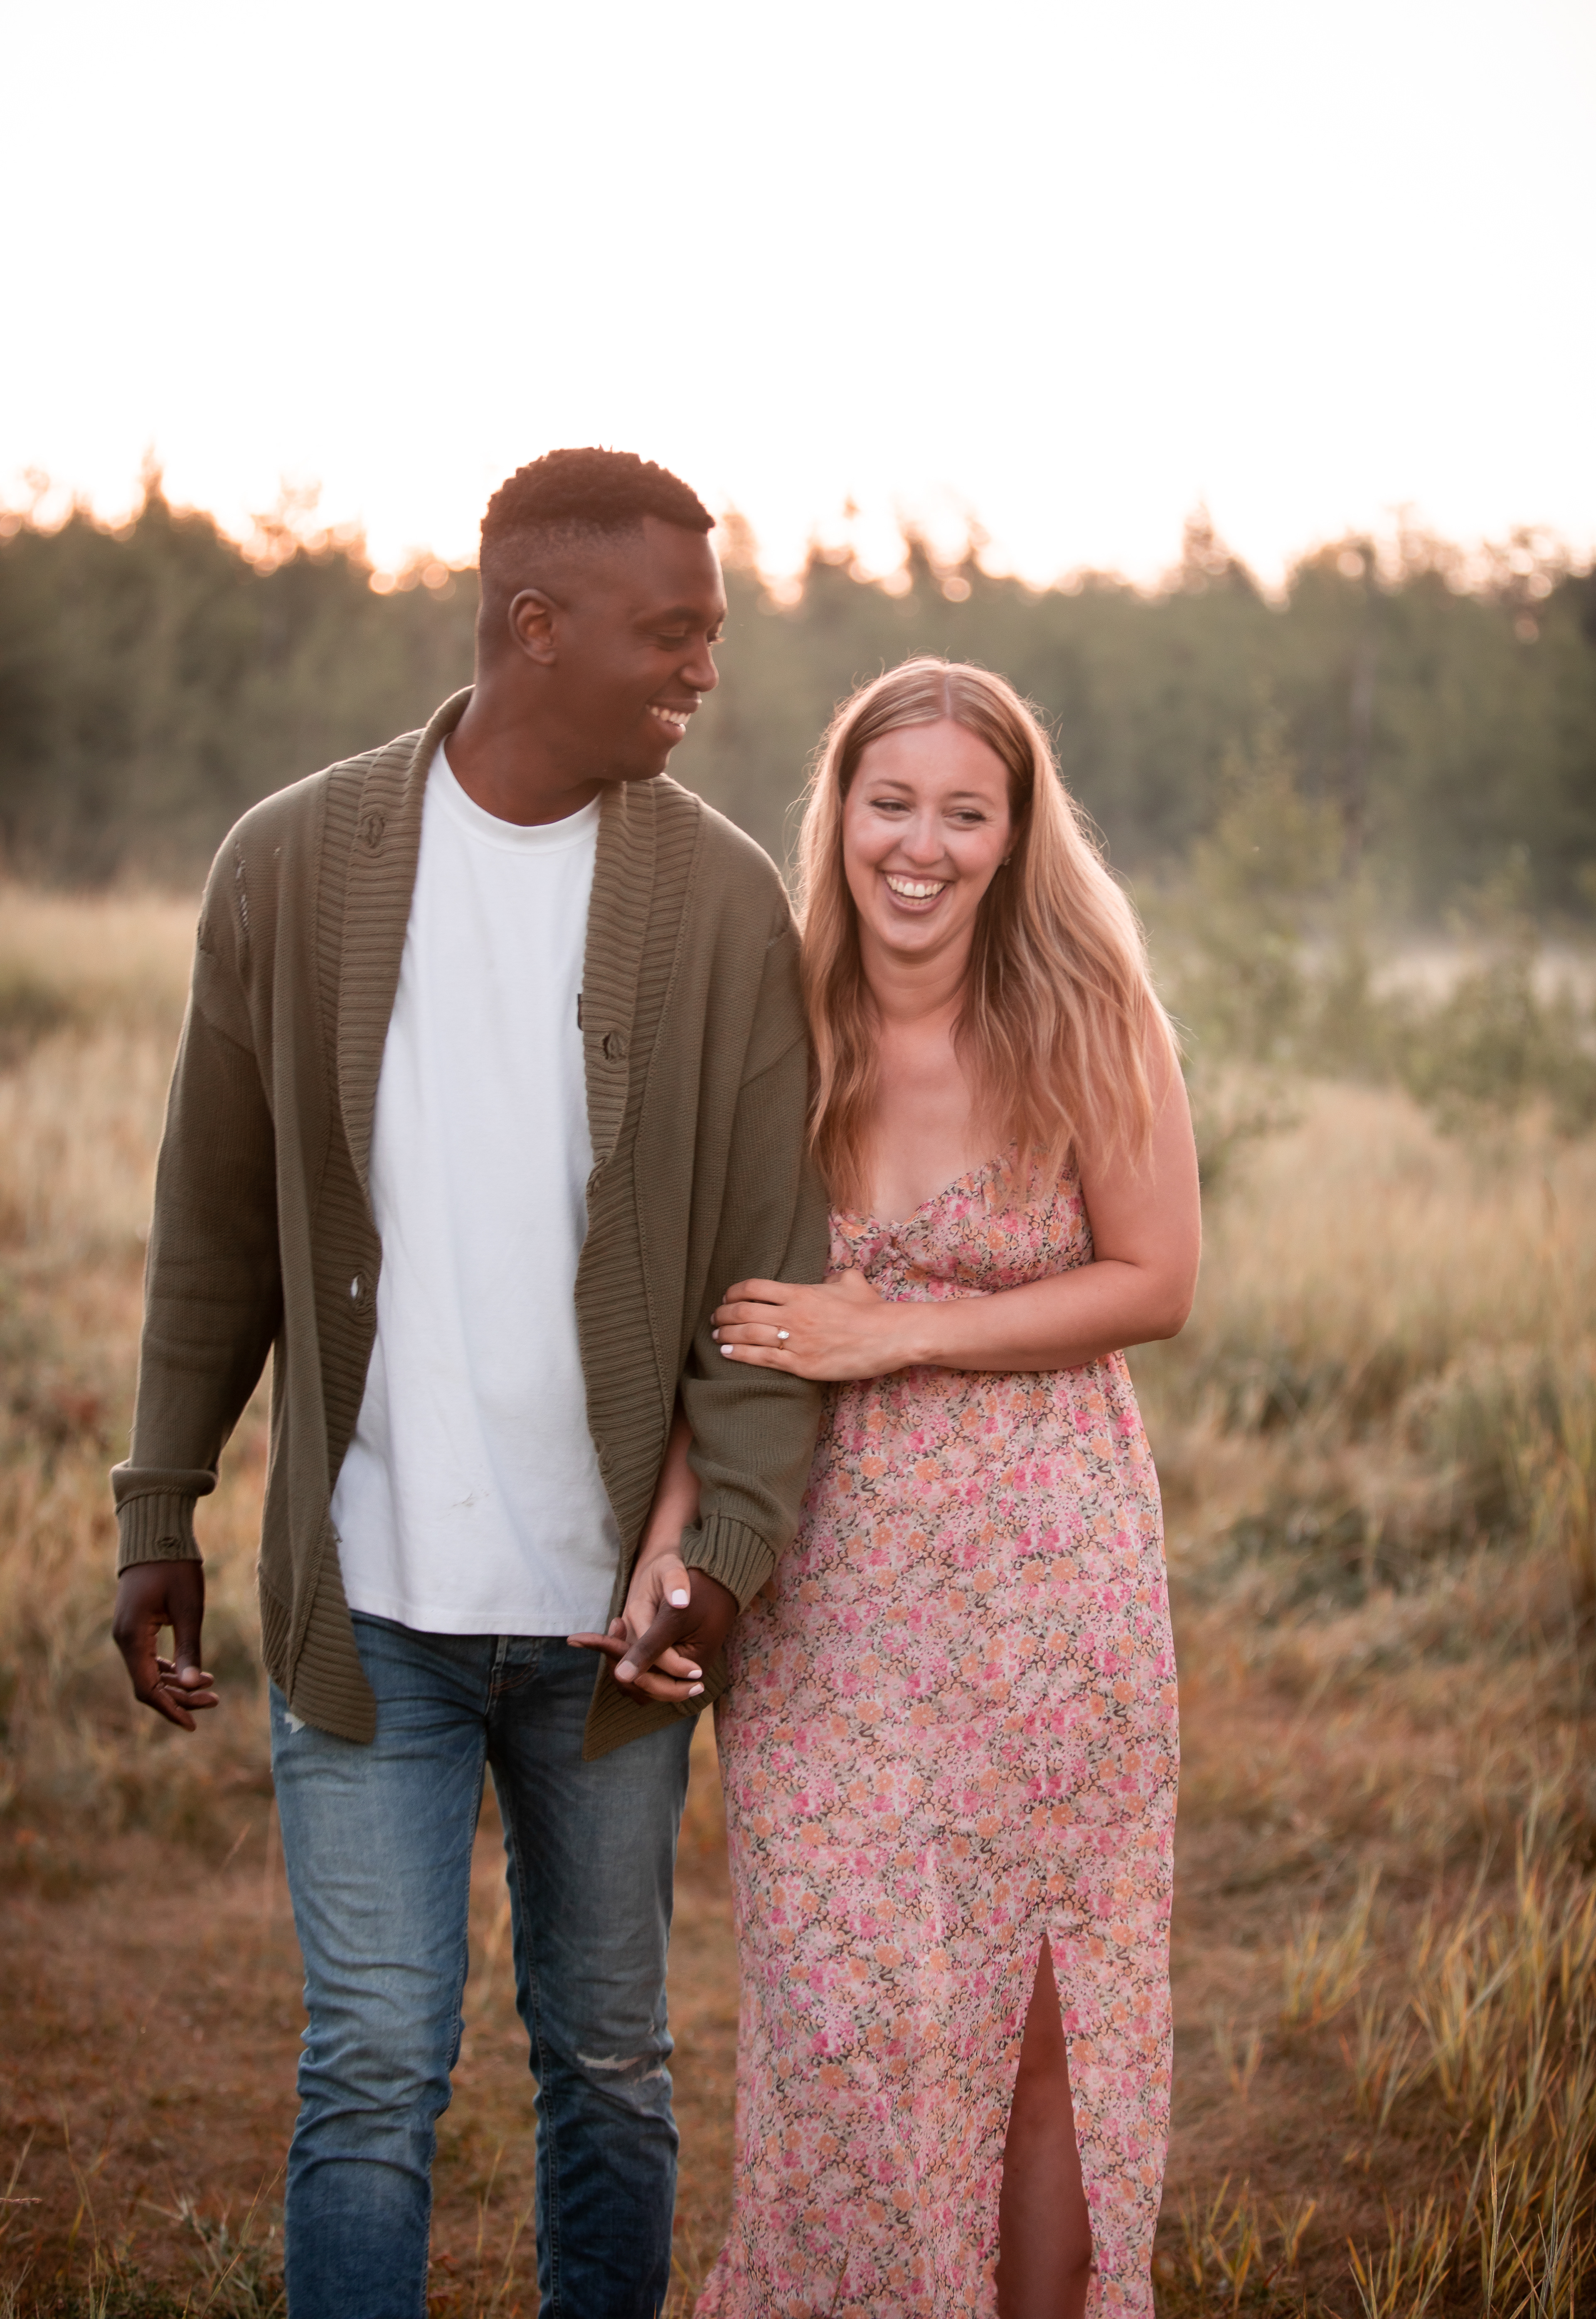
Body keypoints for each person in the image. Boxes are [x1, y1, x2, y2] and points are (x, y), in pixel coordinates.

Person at [109, 447, 828, 2319]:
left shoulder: (731, 907)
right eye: (672, 634)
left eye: (713, 636)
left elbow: (771, 1284)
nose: (702, 672)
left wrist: (729, 1550)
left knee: (610, 2066)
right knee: (367, 2080)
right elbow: (214, 1228)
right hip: (373, 1616)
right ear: (534, 626)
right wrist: (158, 1506)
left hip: (612, 1635)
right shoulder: (293, 865)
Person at [602, 659, 1200, 2318]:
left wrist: (900, 1327)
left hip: (1053, 1585)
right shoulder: (768, 1026)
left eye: (964, 810)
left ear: (1015, 837)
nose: (920, 845)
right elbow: (699, 1330)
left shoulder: (1090, 1012)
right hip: (828, 1595)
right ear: (841, 814)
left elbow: (1157, 1280)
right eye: (892, 803)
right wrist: (669, 1541)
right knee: (847, 2020)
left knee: (1035, 2030)